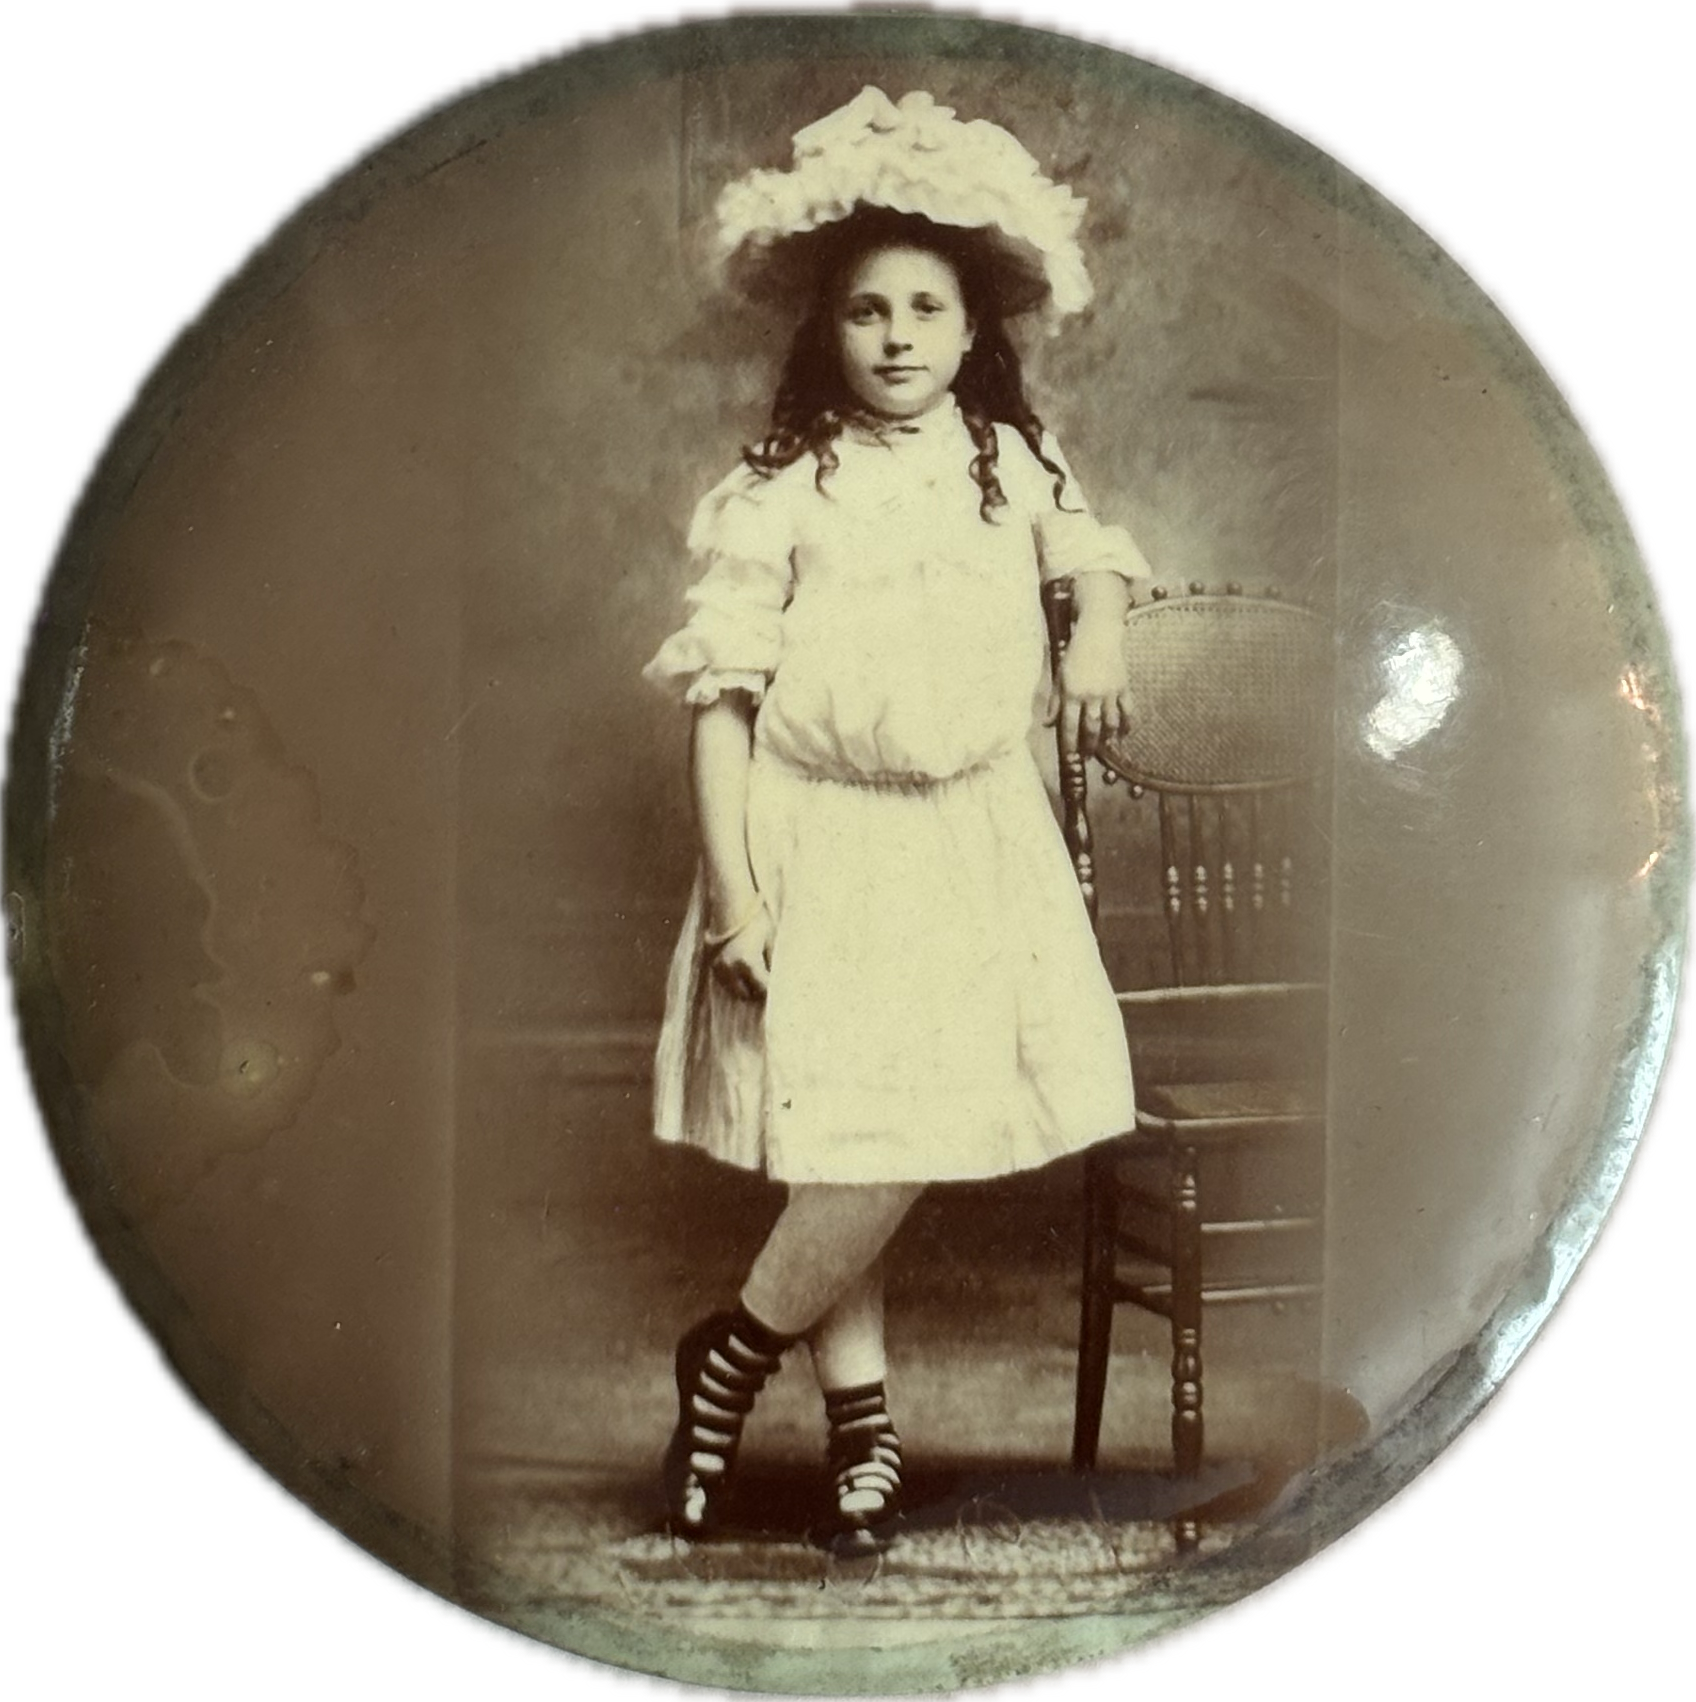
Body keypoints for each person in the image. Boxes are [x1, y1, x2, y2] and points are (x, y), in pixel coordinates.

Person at [642, 88, 1147, 1554]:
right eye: (868, 310)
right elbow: (721, 701)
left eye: (928, 307)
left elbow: (1090, 556)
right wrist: (740, 901)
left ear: (976, 328)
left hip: (969, 838)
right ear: (828, 330)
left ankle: (730, 1356)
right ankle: (864, 1436)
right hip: (820, 840)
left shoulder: (1013, 464)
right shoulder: (777, 489)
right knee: (851, 1131)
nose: (900, 336)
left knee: (893, 1128)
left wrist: (1098, 632)